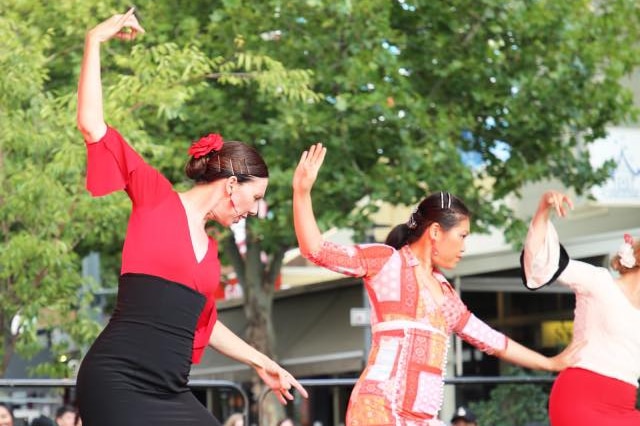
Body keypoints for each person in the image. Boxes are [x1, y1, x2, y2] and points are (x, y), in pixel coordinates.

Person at [74, 8, 307, 426]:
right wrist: (94, 41)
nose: (253, 210)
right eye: (254, 198)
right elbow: (93, 126)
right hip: (117, 381)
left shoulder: (211, 254)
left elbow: (206, 324)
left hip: (170, 391)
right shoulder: (154, 197)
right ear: (231, 184)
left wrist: (261, 361)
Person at [291, 144, 583, 425]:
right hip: (378, 409)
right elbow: (316, 249)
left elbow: (491, 339)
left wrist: (551, 363)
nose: (464, 247)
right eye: (462, 236)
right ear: (434, 232)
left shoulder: (445, 295)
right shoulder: (386, 262)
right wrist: (302, 192)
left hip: (422, 419)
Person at [520, 190, 640, 426]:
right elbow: (541, 265)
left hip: (623, 406)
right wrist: (543, 209)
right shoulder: (599, 281)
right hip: (580, 398)